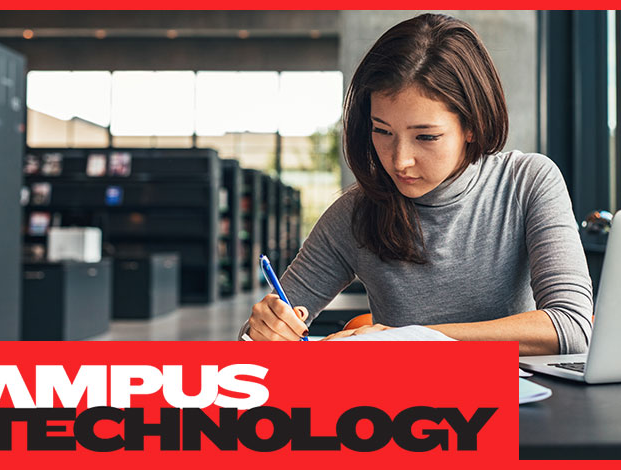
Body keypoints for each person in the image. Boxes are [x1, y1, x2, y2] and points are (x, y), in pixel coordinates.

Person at [240, 13, 592, 355]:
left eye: (425, 136)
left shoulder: (527, 182)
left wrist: (411, 338)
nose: (399, 160)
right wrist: (262, 330)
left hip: (522, 404)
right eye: (382, 131)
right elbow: (251, 346)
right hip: (404, 408)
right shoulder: (353, 214)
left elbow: (572, 327)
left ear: (472, 125)